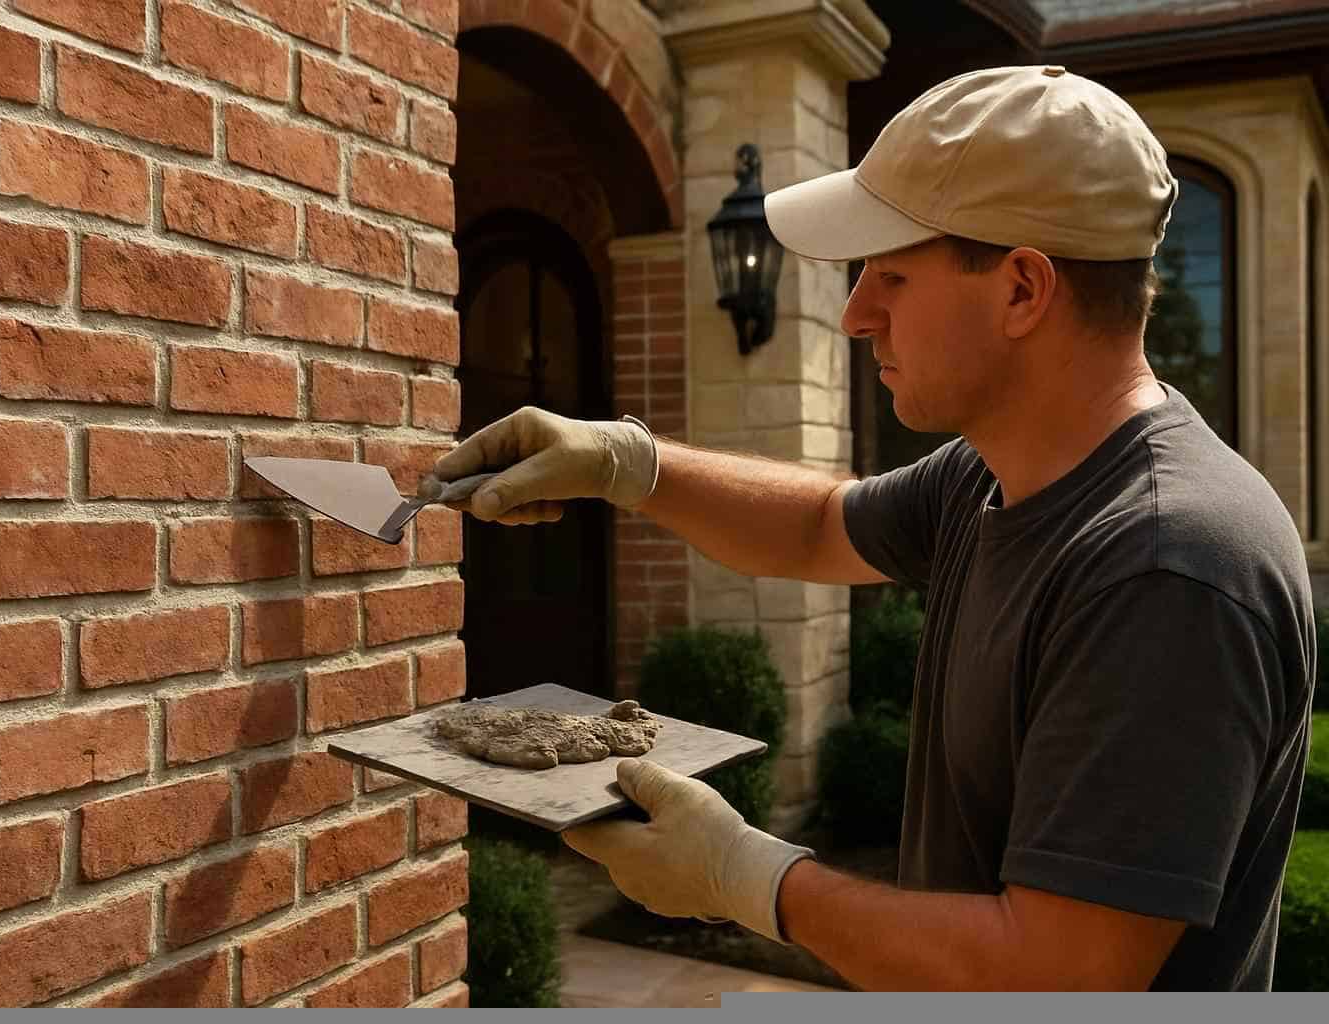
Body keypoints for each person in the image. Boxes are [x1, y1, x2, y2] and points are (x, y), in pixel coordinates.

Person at [429, 65, 1316, 990]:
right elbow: (817, 525)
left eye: (890, 274)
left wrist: (750, 880)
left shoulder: (1165, 567)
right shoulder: (992, 473)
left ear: (1022, 290)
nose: (856, 315)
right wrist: (625, 462)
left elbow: (1060, 977)